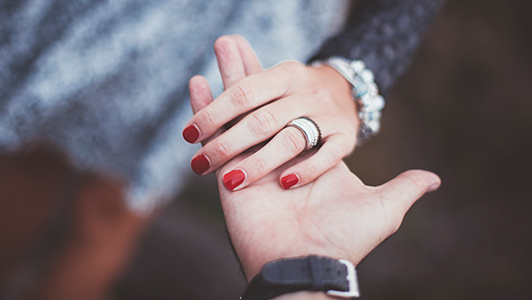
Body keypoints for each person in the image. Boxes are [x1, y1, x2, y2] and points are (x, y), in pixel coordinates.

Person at [0, 0, 443, 299]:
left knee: (114, 209)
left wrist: (354, 73)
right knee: (35, 149)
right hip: (136, 13)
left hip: (268, 20)